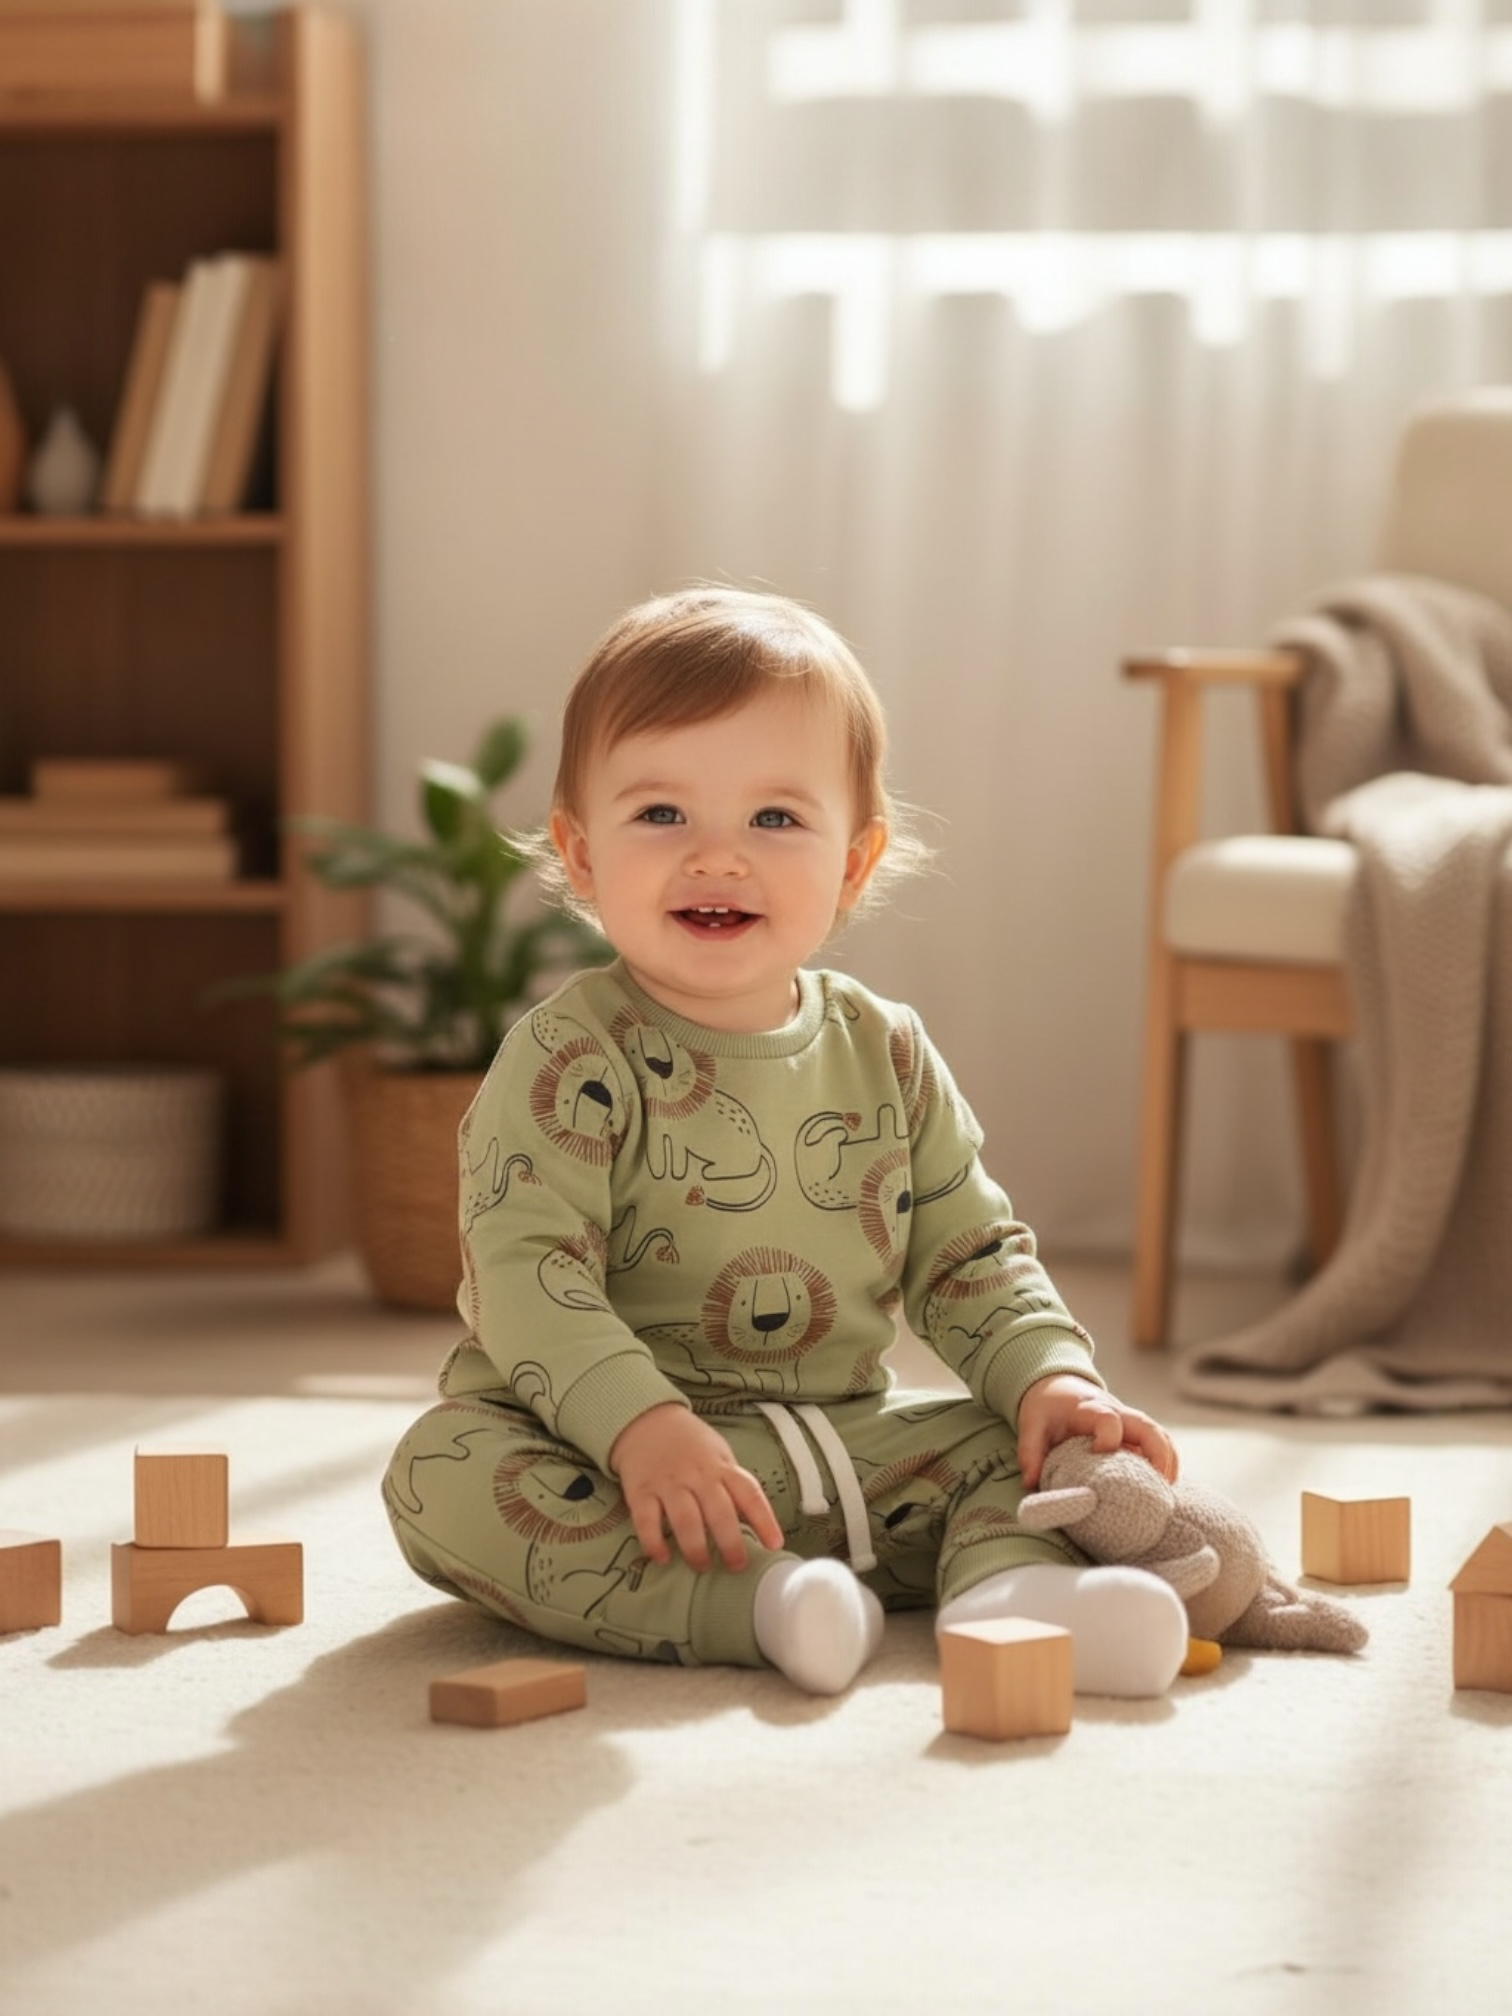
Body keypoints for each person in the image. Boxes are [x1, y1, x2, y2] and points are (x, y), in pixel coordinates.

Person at [382, 588, 1189, 1697]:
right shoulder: (569, 1058)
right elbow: (527, 1277)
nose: (718, 857)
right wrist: (642, 1429)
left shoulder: (888, 1053)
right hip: (613, 1464)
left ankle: (1010, 1595)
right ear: (579, 853)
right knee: (442, 1476)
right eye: (662, 815)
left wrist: (1052, 1377)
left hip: (840, 1454)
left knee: (1033, 1452)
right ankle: (758, 1606)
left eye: (774, 819)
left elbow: (970, 1257)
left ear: (855, 865)